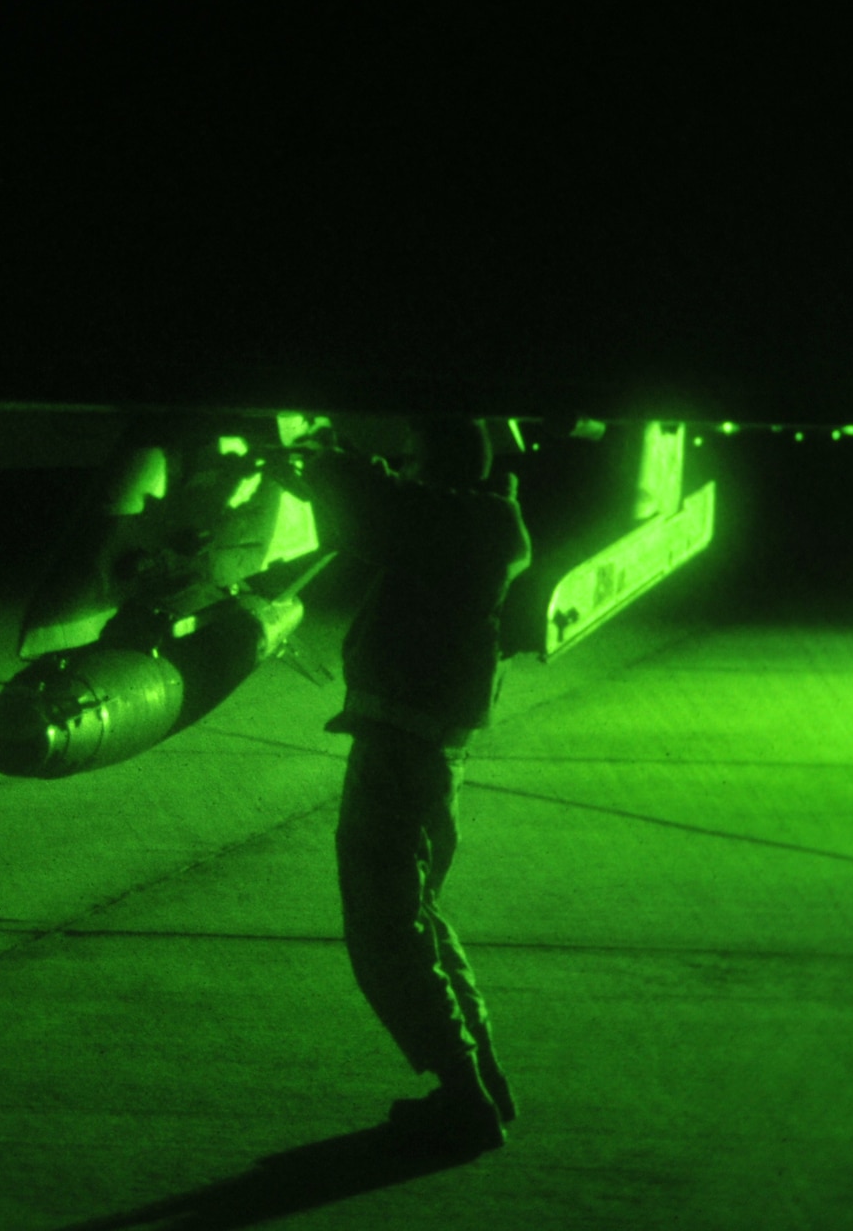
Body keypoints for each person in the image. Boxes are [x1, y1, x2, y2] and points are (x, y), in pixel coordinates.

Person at [300, 415, 532, 1158]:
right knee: (418, 917)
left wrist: (323, 455)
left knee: (386, 929)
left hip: (401, 754)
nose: (405, 472)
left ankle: (465, 1102)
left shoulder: (462, 524)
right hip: (418, 751)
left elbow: (377, 510)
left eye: (413, 461)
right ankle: (481, 1081)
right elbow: (385, 509)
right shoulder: (482, 523)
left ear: (437, 466)